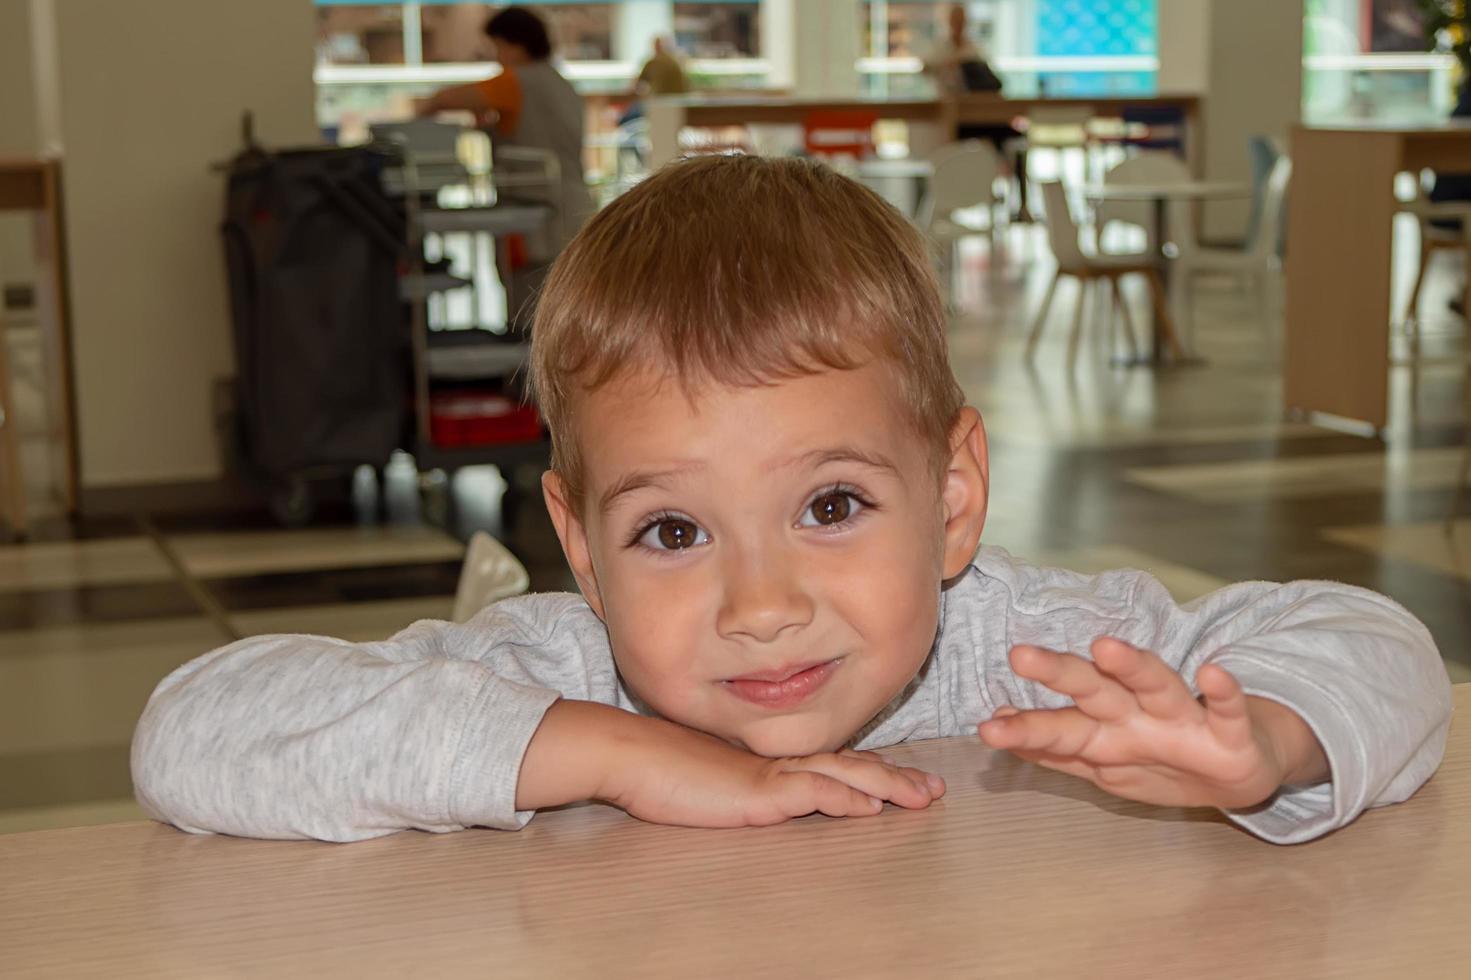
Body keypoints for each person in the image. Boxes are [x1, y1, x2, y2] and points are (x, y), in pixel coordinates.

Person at [131, 156, 1451, 844]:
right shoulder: (561, 672)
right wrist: (619, 757)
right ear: (581, 552)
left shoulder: (1039, 666)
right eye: (669, 531)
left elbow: (1382, 646)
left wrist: (1265, 745)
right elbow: (192, 732)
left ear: (950, 495)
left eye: (828, 505)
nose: (759, 607)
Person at [414, 6, 595, 253]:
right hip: (576, 208)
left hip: (538, 217)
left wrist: (418, 120)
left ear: (517, 45)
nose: (496, 58)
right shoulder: (561, 83)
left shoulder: (515, 80)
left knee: (531, 289)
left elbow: (445, 99)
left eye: (497, 47)